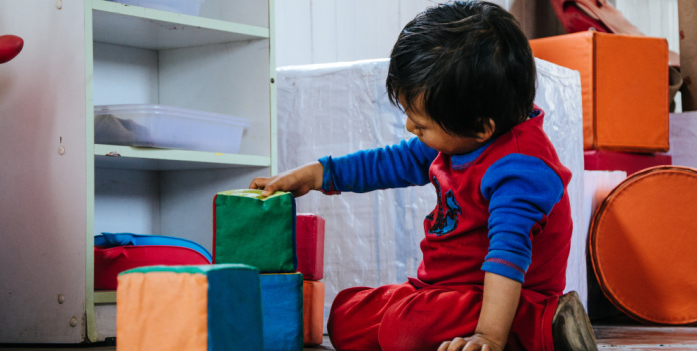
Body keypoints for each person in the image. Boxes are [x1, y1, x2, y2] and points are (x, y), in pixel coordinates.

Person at [249, 1, 596, 350]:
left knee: (406, 330)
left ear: (480, 127)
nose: (409, 127)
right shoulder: (460, 138)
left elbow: (507, 257)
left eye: (422, 124)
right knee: (345, 316)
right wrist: (316, 174)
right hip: (442, 291)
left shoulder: (521, 171)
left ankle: (539, 322)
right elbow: (387, 164)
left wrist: (488, 335)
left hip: (499, 292)